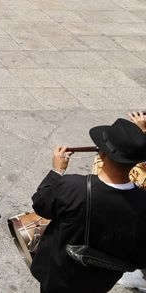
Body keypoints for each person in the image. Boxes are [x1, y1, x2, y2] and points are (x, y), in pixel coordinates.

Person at [30, 115, 146, 293]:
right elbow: (140, 257)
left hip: (59, 274)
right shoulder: (142, 204)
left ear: (101, 154)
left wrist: (57, 171)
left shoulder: (73, 188)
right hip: (99, 283)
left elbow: (40, 203)